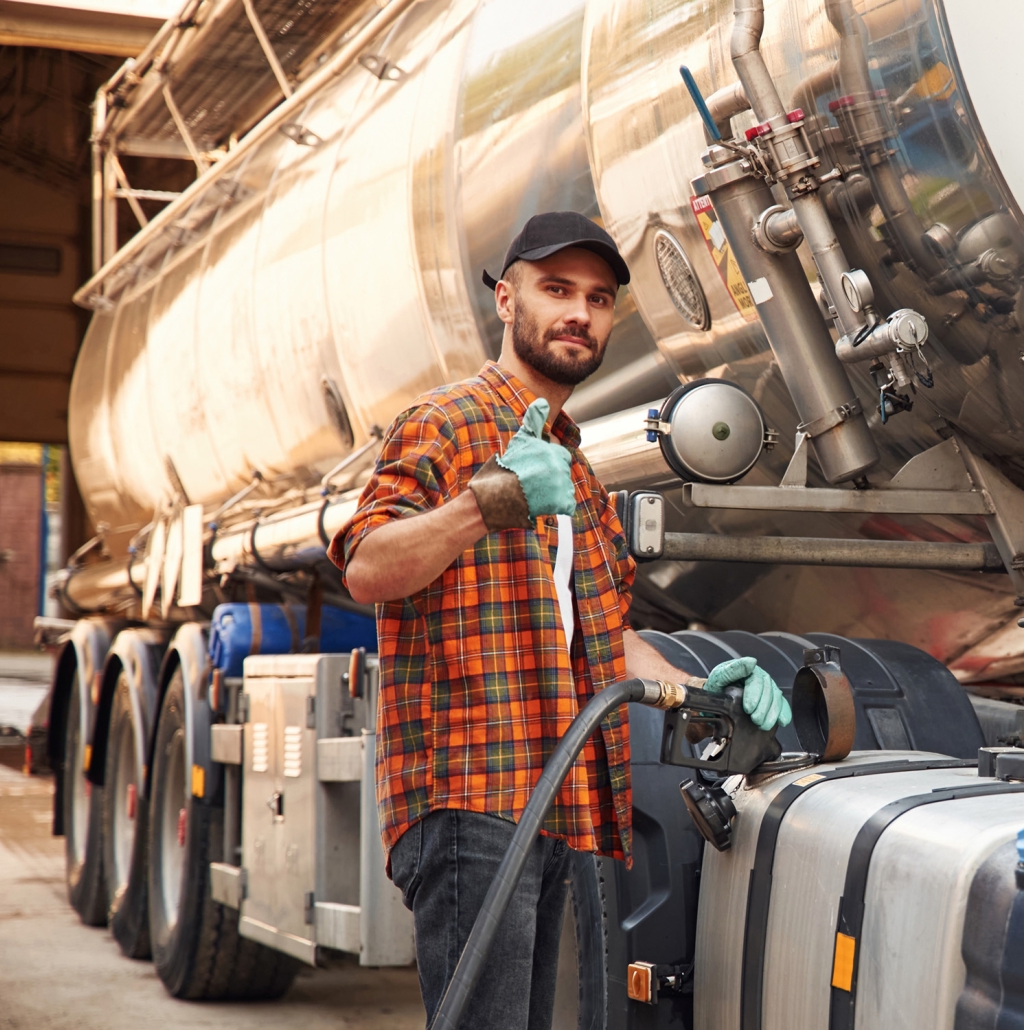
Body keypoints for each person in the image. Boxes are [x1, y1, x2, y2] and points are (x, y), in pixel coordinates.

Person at [328, 211, 790, 1029]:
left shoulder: (577, 469)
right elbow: (366, 566)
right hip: (470, 798)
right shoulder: (449, 421)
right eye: (555, 290)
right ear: (507, 301)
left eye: (599, 298)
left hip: (555, 801)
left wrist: (698, 691)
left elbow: (604, 638)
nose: (579, 312)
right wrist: (485, 502)